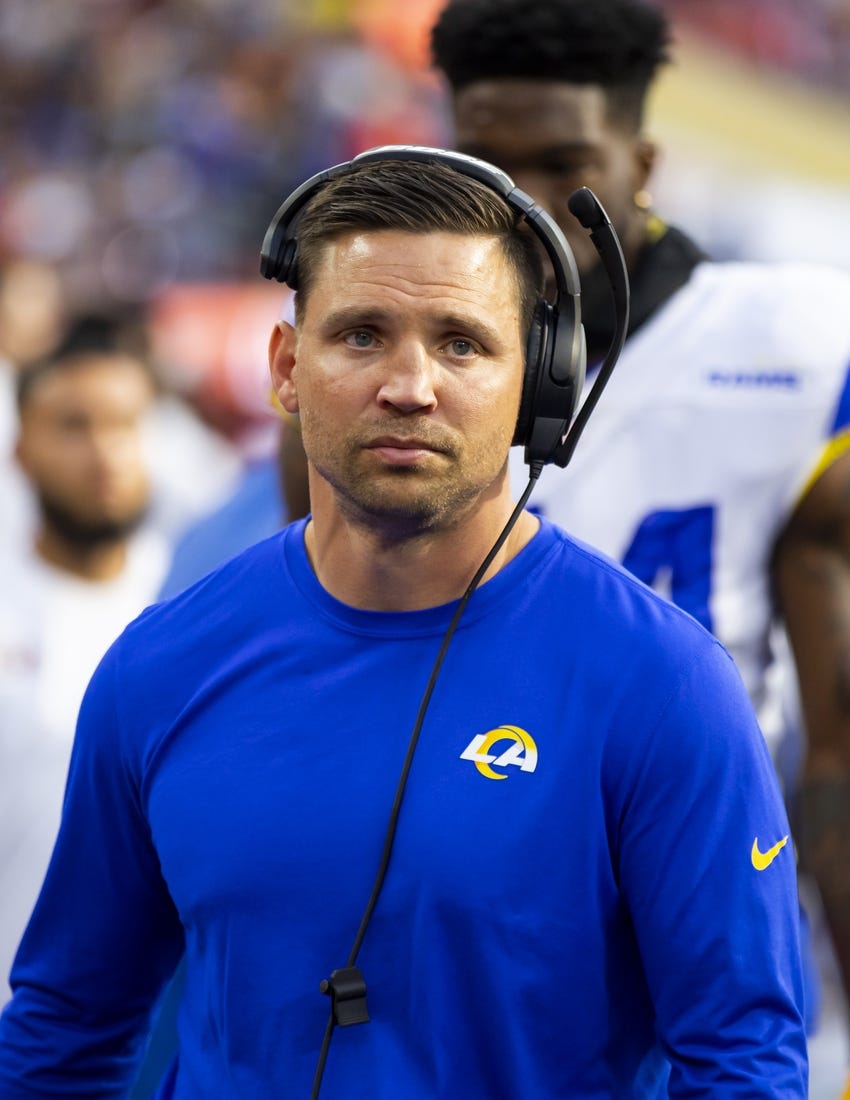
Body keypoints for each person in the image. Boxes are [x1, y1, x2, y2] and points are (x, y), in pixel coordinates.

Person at [0, 149, 806, 1097]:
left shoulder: (662, 686)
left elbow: (743, 1065)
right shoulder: (163, 663)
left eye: (462, 342)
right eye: (362, 335)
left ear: (538, 389)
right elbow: (65, 1028)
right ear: (288, 369)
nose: (410, 384)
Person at [283, 0, 850, 1051]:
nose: (525, 205)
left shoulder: (797, 350)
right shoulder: (374, 376)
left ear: (640, 162)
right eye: (490, 163)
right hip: (428, 954)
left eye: (563, 162)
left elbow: (841, 735)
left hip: (694, 933)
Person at [0, 314, 170, 996]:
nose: (104, 452)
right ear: (21, 448)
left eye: (125, 424)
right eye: (73, 425)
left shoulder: (191, 602)